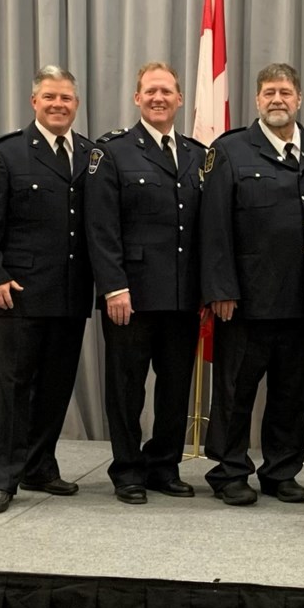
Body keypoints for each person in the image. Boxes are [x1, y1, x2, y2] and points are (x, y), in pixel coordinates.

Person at [201, 63, 304, 506]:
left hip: (302, 299)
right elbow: (214, 227)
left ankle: (281, 471)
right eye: (268, 92)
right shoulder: (230, 150)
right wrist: (220, 289)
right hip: (245, 301)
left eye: (285, 91)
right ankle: (229, 471)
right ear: (258, 100)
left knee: (290, 395)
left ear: (299, 98)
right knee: (234, 392)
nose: (276, 99)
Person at [0, 65, 94, 513]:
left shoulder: (88, 153)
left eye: (66, 98)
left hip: (70, 293)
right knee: (12, 388)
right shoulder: (5, 153)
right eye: (50, 97)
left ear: (76, 105)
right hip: (18, 292)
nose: (58, 104)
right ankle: (1, 478)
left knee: (57, 386)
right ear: (34, 102)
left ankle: (40, 465)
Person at [85, 62, 207, 505]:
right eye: (150, 91)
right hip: (130, 296)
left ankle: (164, 466)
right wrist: (114, 287)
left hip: (181, 295)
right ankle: (128, 469)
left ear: (179, 99)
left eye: (167, 91)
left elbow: (203, 230)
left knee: (175, 388)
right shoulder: (112, 152)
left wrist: (206, 290)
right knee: (126, 388)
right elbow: (100, 228)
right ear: (137, 99)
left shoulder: (195, 154)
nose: (159, 98)